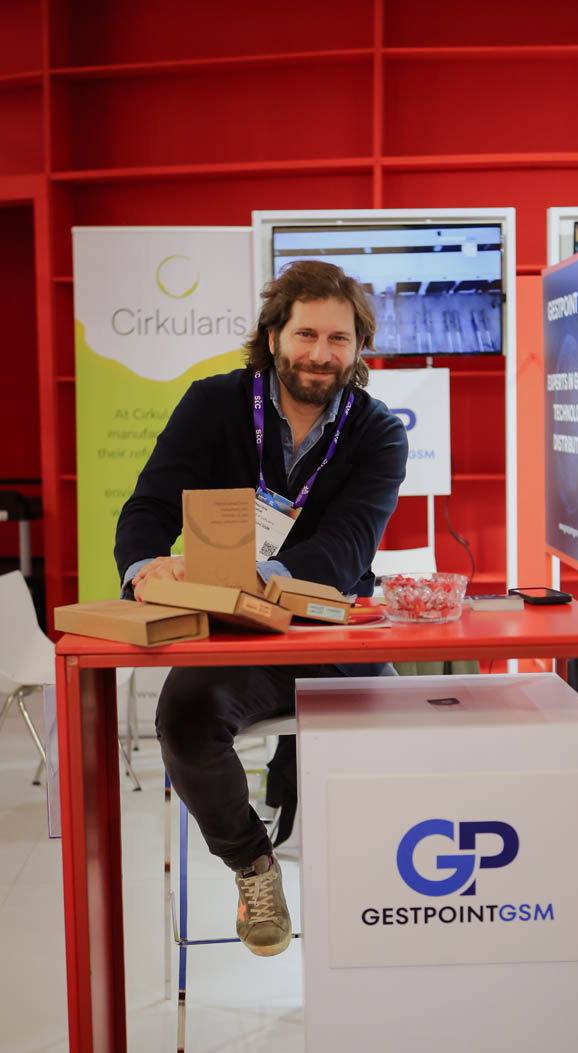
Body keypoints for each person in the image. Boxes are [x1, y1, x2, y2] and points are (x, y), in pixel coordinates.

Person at [114, 260, 408, 956]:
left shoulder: (378, 431)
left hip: (329, 630)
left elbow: (345, 549)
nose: (320, 354)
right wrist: (145, 568)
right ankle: (253, 864)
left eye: (338, 339)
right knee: (185, 721)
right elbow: (149, 506)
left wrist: (251, 577)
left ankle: (385, 885)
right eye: (306, 334)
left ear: (358, 348)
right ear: (274, 335)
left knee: (402, 736)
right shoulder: (213, 404)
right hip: (237, 638)